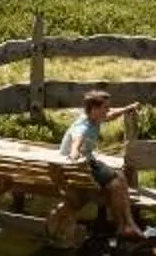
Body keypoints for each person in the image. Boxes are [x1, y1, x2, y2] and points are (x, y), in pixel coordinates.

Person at [59, 89, 147, 241]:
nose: (108, 110)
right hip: (78, 167)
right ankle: (122, 226)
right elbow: (76, 141)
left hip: (87, 162)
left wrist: (128, 108)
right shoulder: (83, 127)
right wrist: (74, 153)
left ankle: (129, 223)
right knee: (116, 185)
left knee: (121, 177)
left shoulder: (93, 117)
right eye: (105, 107)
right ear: (94, 109)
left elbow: (112, 115)